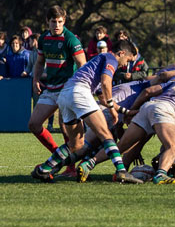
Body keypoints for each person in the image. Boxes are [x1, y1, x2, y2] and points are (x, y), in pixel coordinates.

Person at [31, 39, 141, 184]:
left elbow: (102, 95)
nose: (126, 65)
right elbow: (106, 82)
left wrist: (123, 111)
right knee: (105, 134)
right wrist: (110, 106)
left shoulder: (97, 61)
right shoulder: (111, 58)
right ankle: (121, 171)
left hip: (65, 95)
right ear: (121, 53)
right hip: (79, 92)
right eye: (127, 60)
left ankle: (44, 169)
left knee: (75, 144)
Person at [28, 5, 86, 169]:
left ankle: (71, 168)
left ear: (64, 21)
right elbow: (39, 63)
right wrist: (36, 80)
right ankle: (57, 156)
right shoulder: (43, 39)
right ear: (48, 21)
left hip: (67, 89)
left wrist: (78, 86)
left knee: (65, 128)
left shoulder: (71, 39)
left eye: (60, 22)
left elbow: (82, 64)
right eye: (54, 22)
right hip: (51, 89)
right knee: (34, 124)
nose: (57, 25)